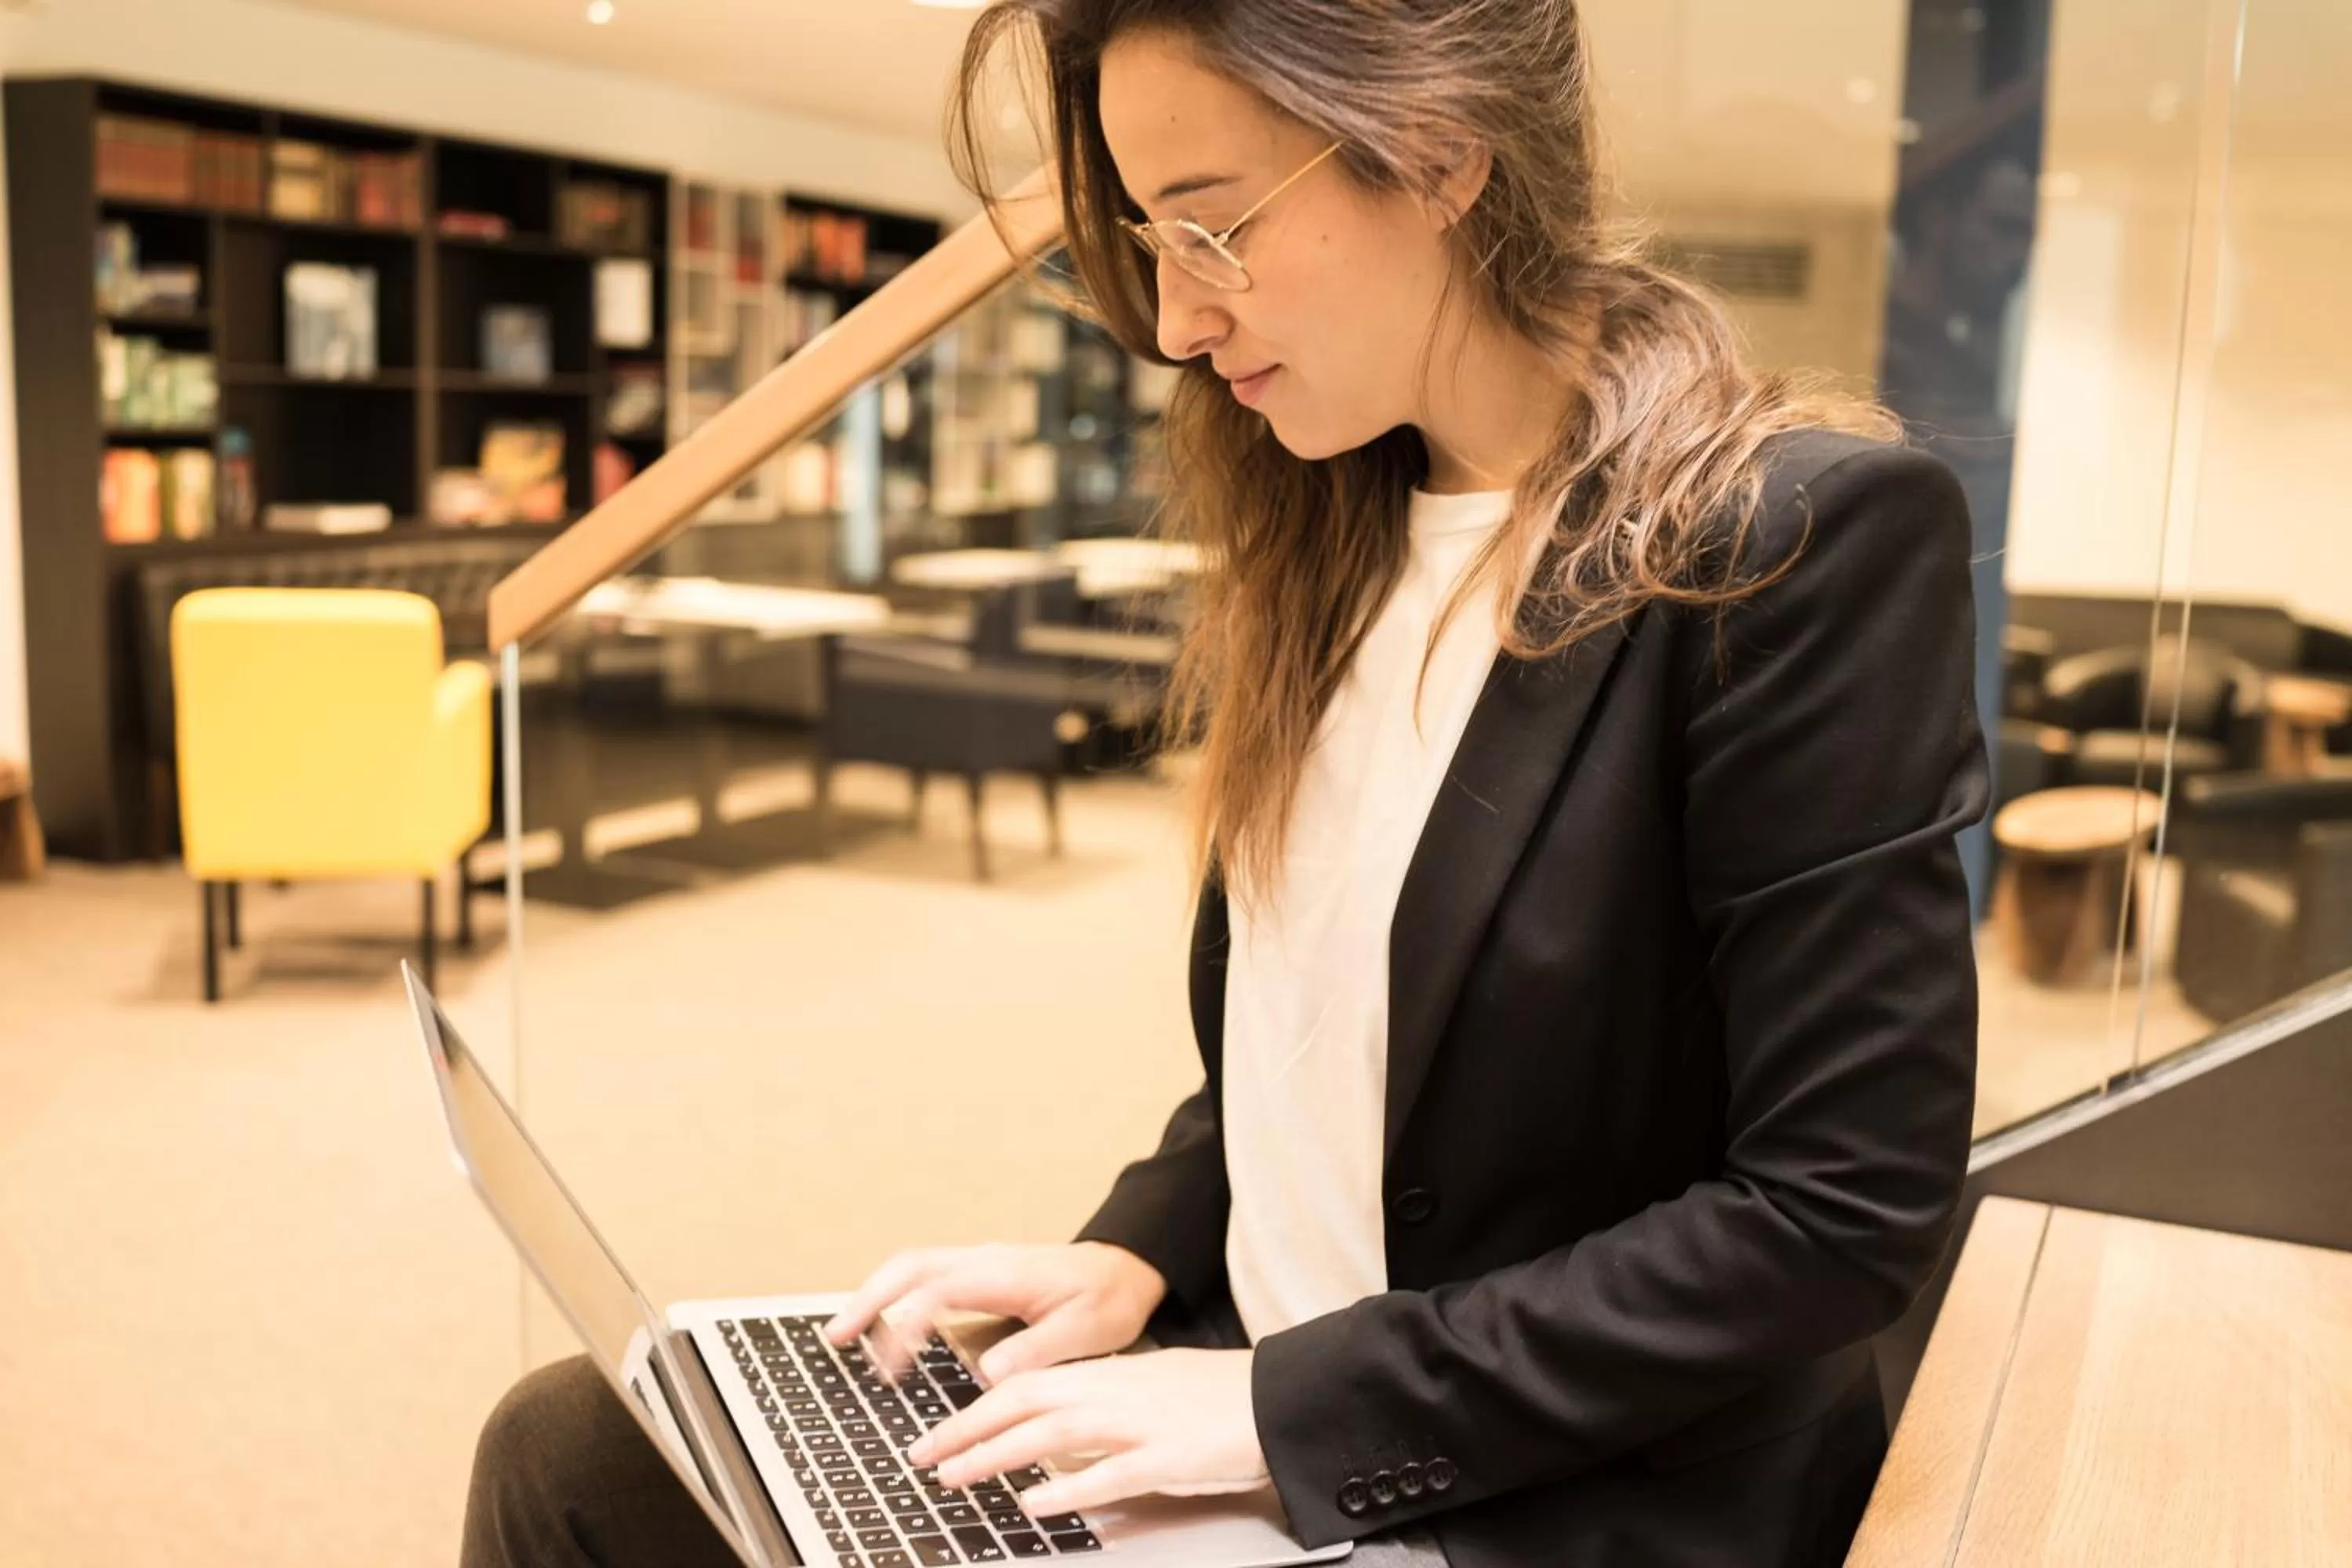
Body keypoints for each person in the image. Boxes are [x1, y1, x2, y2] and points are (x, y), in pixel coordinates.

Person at [460, 2, 1988, 1565]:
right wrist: (1143, 1241)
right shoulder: (1332, 514)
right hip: (1241, 1382)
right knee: (576, 1448)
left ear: (1445, 154)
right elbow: (1333, 1030)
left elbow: (1833, 1212)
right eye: (1147, 240)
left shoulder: (1791, 542)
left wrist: (1280, 1410)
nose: (1182, 320)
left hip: (1524, 1479)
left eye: (1214, 231)